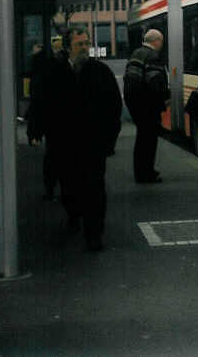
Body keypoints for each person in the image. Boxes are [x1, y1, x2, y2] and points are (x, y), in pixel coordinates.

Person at [40, 27, 122, 252]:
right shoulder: (55, 73)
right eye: (80, 44)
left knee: (95, 189)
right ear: (68, 48)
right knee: (69, 185)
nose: (85, 48)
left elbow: (114, 107)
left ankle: (94, 234)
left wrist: (110, 141)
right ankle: (74, 214)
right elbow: (44, 104)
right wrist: (40, 131)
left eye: (87, 43)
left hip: (94, 144)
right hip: (64, 144)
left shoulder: (101, 72)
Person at [124, 29, 169, 184]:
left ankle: (140, 171)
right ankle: (147, 173)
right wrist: (163, 100)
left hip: (134, 103)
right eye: (161, 42)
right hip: (148, 105)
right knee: (149, 140)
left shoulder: (136, 54)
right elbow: (154, 83)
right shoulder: (153, 57)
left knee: (141, 139)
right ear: (156, 41)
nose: (161, 45)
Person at [27, 35, 63, 200]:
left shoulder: (40, 63)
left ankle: (51, 189)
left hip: (51, 117)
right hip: (58, 117)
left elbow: (37, 99)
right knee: (58, 155)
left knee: (52, 155)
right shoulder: (61, 63)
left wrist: (34, 132)